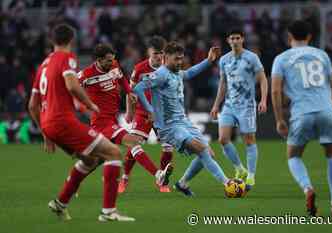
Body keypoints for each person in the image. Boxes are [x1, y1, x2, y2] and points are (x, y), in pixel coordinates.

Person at [28, 24, 135, 222]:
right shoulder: (66, 58)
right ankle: (108, 212)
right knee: (113, 152)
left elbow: (32, 105)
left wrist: (45, 134)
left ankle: (60, 204)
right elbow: (71, 84)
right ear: (72, 41)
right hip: (63, 122)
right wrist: (90, 104)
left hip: (48, 124)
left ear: (52, 41)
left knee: (91, 160)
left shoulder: (43, 65)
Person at [134, 42, 232, 197]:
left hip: (183, 122)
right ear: (166, 58)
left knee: (209, 154)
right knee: (201, 149)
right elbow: (138, 88)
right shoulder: (160, 75)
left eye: (181, 59)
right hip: (169, 127)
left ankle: (182, 183)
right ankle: (228, 183)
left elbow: (190, 72)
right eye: (176, 59)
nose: (180, 62)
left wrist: (208, 60)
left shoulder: (177, 73)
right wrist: (150, 109)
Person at [78, 43, 173, 192]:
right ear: (98, 60)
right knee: (133, 142)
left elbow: (122, 78)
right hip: (101, 122)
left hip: (112, 118)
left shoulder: (114, 65)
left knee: (96, 159)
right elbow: (71, 90)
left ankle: (74, 181)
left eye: (113, 59)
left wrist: (129, 92)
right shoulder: (86, 75)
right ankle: (158, 174)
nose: (112, 63)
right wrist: (84, 108)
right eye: (108, 60)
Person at [271, 20, 332, 216]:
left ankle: (307, 188)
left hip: (302, 112)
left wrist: (279, 119)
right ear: (310, 37)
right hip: (327, 109)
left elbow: (276, 91)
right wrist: (331, 109)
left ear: (289, 37)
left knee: (293, 155)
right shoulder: (322, 55)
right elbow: (331, 88)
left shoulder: (281, 59)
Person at [210, 28, 268, 189]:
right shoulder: (224, 60)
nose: (235, 41)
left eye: (237, 38)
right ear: (228, 41)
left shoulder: (252, 58)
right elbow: (223, 83)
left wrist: (263, 100)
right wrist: (216, 105)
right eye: (232, 38)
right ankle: (239, 169)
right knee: (223, 139)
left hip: (247, 105)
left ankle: (251, 176)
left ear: (242, 39)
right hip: (229, 105)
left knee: (249, 140)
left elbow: (263, 79)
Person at [120, 36, 173, 193]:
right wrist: (129, 111)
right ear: (149, 52)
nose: (158, 56)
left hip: (162, 115)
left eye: (161, 53)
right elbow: (130, 91)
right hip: (143, 113)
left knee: (168, 149)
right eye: (155, 53)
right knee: (134, 143)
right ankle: (125, 177)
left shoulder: (168, 68)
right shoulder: (140, 68)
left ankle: (162, 180)